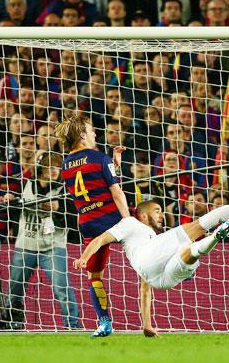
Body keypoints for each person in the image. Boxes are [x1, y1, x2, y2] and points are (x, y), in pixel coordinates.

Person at [73, 187, 229, 337]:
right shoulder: (130, 223)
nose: (161, 214)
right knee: (199, 225)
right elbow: (99, 239)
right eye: (157, 211)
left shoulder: (150, 238)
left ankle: (217, 235)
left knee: (189, 253)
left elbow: (144, 289)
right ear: (142, 215)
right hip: (150, 261)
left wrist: (146, 324)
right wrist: (84, 257)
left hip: (159, 280)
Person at [55, 113, 129, 338]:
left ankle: (104, 322)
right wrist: (128, 222)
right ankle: (180, 265)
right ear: (82, 136)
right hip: (112, 219)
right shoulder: (99, 157)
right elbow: (115, 191)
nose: (95, 133)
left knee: (94, 276)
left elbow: (89, 184)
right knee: (147, 223)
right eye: (91, 130)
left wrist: (114, 164)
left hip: (87, 223)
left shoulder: (66, 165)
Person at [8, 152, 80, 329]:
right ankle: (12, 323)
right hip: (26, 244)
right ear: (40, 168)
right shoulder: (23, 184)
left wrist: (59, 208)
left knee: (62, 287)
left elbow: (75, 220)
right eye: (49, 166)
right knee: (15, 289)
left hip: (53, 246)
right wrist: (9, 200)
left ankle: (73, 325)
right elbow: (11, 211)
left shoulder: (66, 190)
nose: (54, 170)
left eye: (56, 166)